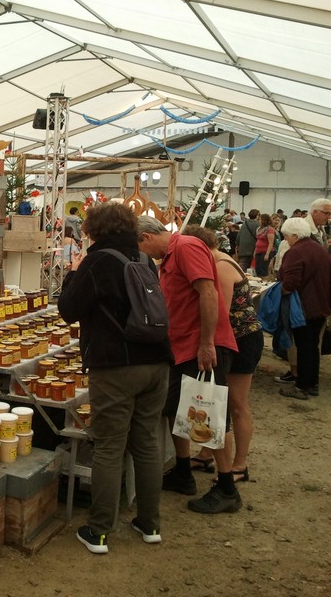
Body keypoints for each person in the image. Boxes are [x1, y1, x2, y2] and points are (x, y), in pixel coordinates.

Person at [59, 203, 172, 554]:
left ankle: (100, 530)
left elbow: (67, 311)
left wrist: (73, 273)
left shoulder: (98, 261)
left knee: (109, 445)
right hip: (157, 362)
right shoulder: (143, 260)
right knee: (147, 442)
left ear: (93, 229)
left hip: (116, 366)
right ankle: (149, 523)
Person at [137, 216, 241, 515]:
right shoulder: (170, 257)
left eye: (141, 248)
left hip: (201, 348)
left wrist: (207, 343)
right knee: (175, 410)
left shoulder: (186, 246)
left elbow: (208, 292)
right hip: (181, 349)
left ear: (146, 237)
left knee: (209, 414)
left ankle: (226, 487)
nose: (145, 255)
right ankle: (183, 471)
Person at [180, 225, 263, 483]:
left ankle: (240, 464)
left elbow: (220, 312)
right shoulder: (219, 261)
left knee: (237, 406)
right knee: (218, 400)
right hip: (234, 339)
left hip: (241, 341)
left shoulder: (221, 267)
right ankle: (206, 454)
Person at [276, 217, 331, 400]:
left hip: (304, 307)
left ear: (294, 235)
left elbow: (291, 282)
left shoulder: (296, 252)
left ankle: (302, 387)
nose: (286, 240)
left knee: (303, 347)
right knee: (313, 347)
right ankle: (312, 383)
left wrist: (277, 292)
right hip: (320, 305)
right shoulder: (318, 248)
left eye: (286, 236)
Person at [253, 213, 275, 277]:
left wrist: (267, 254)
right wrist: (255, 251)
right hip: (258, 251)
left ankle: (264, 281)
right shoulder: (258, 229)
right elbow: (257, 240)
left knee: (263, 269)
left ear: (264, 220)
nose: (259, 220)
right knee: (257, 269)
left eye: (260, 219)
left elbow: (271, 243)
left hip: (265, 252)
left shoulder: (270, 229)